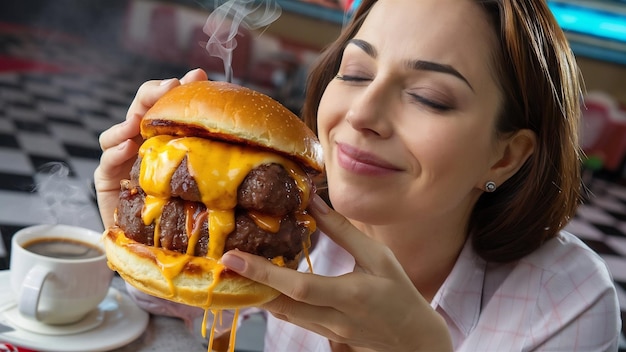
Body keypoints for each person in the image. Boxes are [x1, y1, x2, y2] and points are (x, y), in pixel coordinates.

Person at [95, 0, 622, 351]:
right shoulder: (291, 228)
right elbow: (181, 318)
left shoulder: (566, 299)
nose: (361, 114)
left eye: (429, 97)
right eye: (355, 73)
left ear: (505, 157)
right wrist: (140, 225)